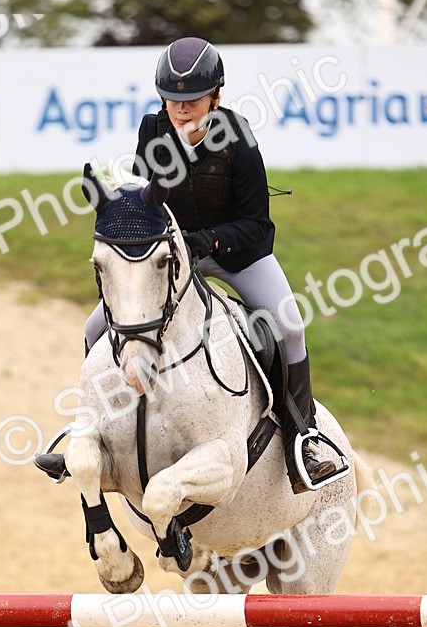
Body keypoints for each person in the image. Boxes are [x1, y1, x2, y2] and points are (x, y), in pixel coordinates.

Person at [36, 37, 339, 493]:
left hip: (236, 256)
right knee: (95, 327)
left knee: (290, 324)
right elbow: (146, 201)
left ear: (216, 97)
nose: (181, 110)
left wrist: (207, 240)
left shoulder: (239, 139)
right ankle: (89, 430)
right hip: (173, 258)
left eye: (192, 100)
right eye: (172, 100)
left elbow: (258, 224)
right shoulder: (152, 132)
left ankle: (304, 439)